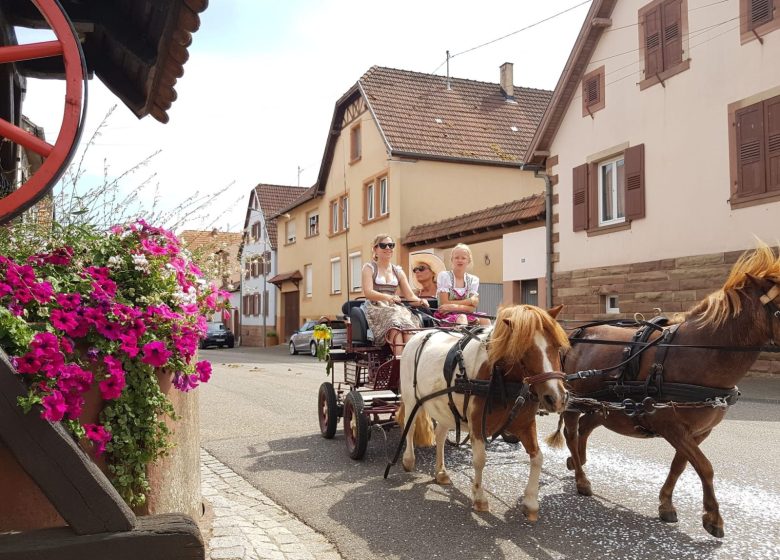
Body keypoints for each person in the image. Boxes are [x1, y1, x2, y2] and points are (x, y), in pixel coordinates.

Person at [362, 234, 428, 357]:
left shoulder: (398, 271)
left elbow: (410, 296)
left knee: (408, 327)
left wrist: (420, 301)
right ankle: (399, 361)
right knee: (395, 323)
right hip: (376, 306)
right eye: (383, 245)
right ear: (375, 249)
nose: (388, 248)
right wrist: (388, 297)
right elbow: (368, 292)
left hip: (394, 307)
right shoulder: (369, 268)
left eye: (391, 245)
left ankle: (410, 360)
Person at [435, 243, 491, 326]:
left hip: (466, 314)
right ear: (452, 259)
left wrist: (453, 306)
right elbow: (444, 304)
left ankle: (489, 339)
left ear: (468, 261)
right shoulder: (445, 276)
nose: (460, 260)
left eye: (463, 258)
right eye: (456, 257)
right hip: (445, 316)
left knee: (485, 318)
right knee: (462, 318)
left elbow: (472, 308)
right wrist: (469, 301)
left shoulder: (473, 280)